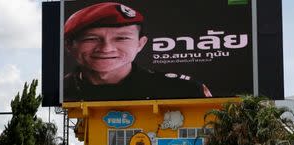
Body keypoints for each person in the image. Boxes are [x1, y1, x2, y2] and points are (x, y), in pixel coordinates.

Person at [63, 1, 212, 101]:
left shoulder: (184, 90)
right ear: (69, 45)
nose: (106, 49)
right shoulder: (60, 92)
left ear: (141, 44)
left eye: (121, 38)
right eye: (91, 39)